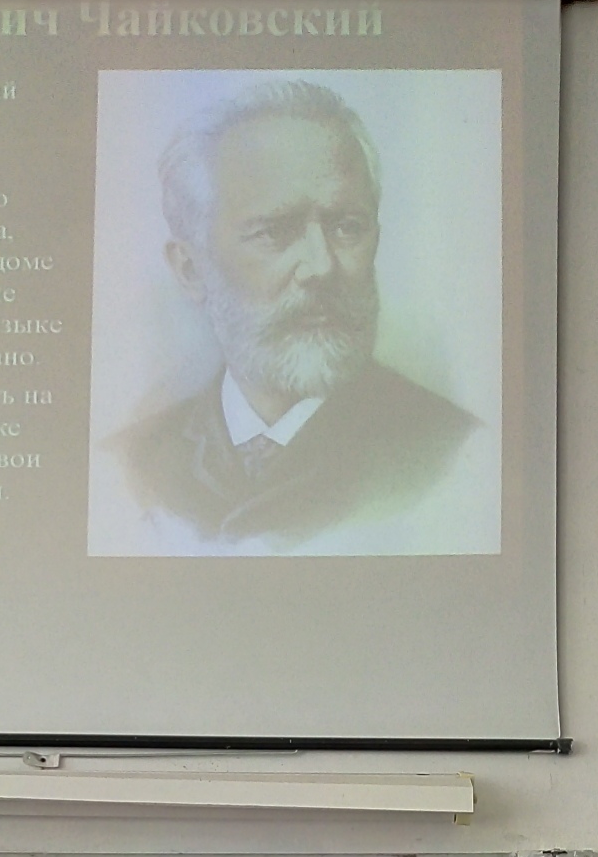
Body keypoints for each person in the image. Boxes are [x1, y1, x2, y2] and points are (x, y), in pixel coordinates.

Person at [110, 80, 476, 551]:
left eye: (347, 227)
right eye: (273, 232)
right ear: (191, 270)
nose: (321, 267)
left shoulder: (454, 456)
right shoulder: (133, 463)